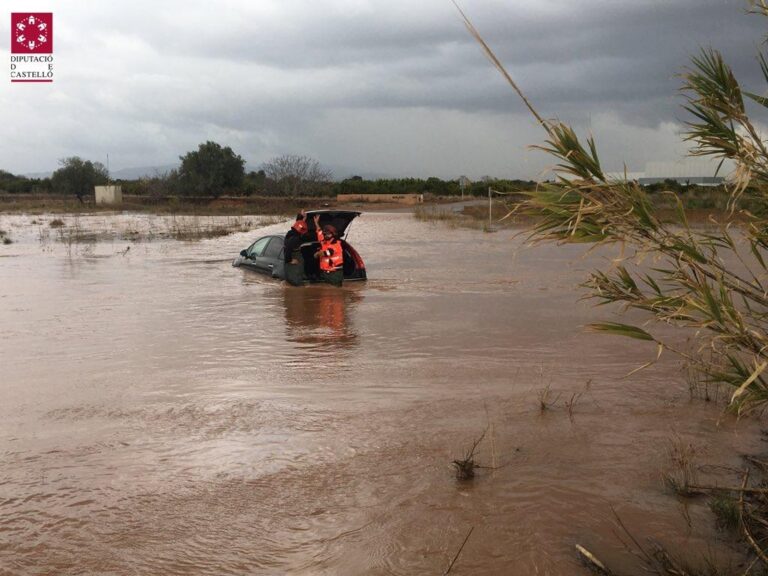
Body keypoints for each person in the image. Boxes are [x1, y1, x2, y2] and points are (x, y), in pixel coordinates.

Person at [313, 214, 344, 287]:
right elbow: (319, 232)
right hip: (327, 273)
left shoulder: (336, 245)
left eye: (328, 234)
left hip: (335, 274)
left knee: (335, 294)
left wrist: (317, 254)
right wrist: (316, 223)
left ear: (333, 234)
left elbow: (325, 253)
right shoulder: (325, 242)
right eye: (325, 234)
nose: (326, 235)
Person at [283, 210, 309, 286]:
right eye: (303, 231)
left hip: (294, 259)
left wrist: (302, 218)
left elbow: (299, 225)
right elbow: (288, 248)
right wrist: (290, 260)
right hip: (292, 259)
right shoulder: (295, 238)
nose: (304, 233)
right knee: (295, 283)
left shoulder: (291, 233)